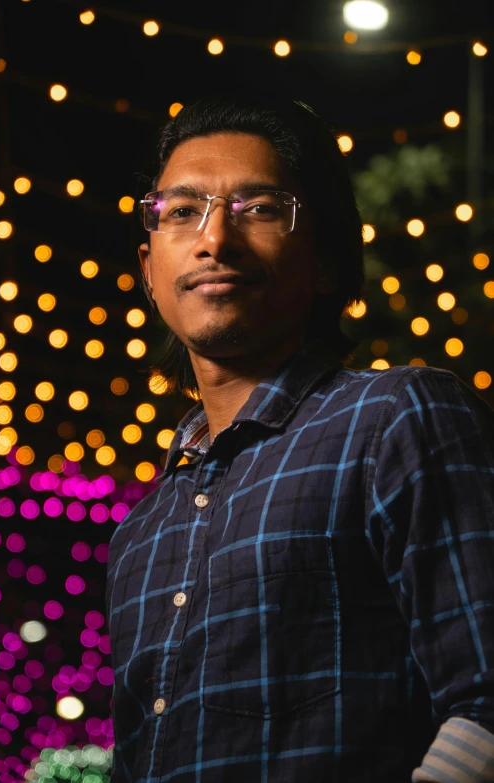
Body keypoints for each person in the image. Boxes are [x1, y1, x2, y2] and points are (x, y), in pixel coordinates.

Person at [106, 93, 494, 782]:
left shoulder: (392, 416)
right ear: (148, 269)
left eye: (258, 209)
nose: (214, 240)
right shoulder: (139, 531)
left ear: (325, 262)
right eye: (182, 212)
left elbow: (486, 697)